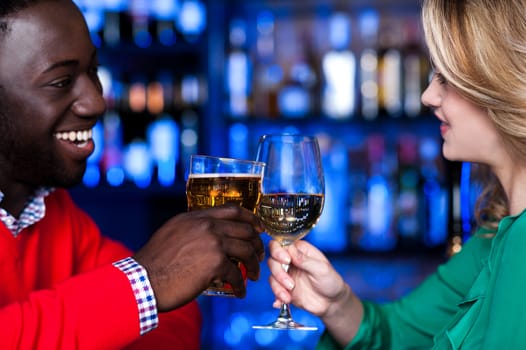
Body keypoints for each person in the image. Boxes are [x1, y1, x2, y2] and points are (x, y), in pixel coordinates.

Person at [0, 0, 265, 349]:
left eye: (93, 71)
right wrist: (148, 281)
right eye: (61, 82)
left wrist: (149, 288)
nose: (96, 102)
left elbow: (177, 315)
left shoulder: (51, 210)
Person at [268, 0, 526, 348]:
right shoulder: (495, 239)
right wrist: (334, 302)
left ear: (501, 79)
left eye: (445, 77)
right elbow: (400, 336)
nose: (428, 96)